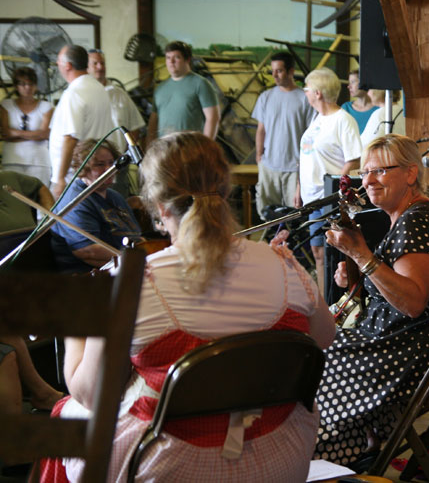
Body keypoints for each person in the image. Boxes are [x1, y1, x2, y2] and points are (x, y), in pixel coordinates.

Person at [41, 132, 335, 483]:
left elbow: (90, 394)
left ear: (159, 206)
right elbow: (324, 335)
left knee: (65, 414)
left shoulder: (135, 282)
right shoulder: (285, 266)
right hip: (280, 458)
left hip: (172, 466)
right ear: (225, 192)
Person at [317, 134, 429, 466]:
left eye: (380, 171)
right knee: (320, 344)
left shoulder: (416, 220)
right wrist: (362, 273)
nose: (369, 181)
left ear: (410, 173)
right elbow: (400, 282)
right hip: (426, 344)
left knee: (316, 354)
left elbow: (413, 302)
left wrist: (360, 255)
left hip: (422, 352)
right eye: (365, 172)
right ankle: (359, 444)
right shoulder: (412, 213)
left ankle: (329, 453)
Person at [299, 67, 361, 291]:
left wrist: (337, 188)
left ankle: (331, 302)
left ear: (317, 92)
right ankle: (321, 300)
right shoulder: (317, 118)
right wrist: (299, 188)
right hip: (311, 197)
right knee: (316, 251)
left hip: (329, 199)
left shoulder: (343, 120)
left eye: (306, 89)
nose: (304, 93)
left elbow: (354, 158)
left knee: (331, 253)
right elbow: (308, 156)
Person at [50, 139, 141, 273]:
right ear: (83, 168)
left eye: (111, 163)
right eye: (99, 164)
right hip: (89, 278)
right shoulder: (75, 201)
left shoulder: (115, 197)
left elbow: (136, 236)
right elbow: (88, 251)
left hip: (126, 266)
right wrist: (136, 261)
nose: (109, 169)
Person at [251, 52, 316, 217]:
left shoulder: (305, 98)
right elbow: (261, 129)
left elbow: (311, 134)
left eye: (279, 71)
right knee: (267, 214)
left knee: (294, 215)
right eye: (273, 71)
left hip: (294, 168)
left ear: (291, 71)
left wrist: (305, 163)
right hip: (269, 167)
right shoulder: (265, 97)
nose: (274, 75)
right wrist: (259, 157)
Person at [49, 45, 114, 198]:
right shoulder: (98, 88)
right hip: (92, 172)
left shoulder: (74, 93)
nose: (57, 65)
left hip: (74, 176)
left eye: (58, 61)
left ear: (68, 65)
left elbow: (70, 138)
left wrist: (60, 179)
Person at [87, 48, 146, 197]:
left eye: (102, 63)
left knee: (119, 205)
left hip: (118, 165)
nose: (100, 67)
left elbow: (135, 126)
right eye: (95, 63)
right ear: (87, 67)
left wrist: (123, 154)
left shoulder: (119, 94)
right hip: (91, 166)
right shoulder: (82, 94)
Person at [146, 41, 220, 144]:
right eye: (168, 57)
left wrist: (206, 146)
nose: (171, 61)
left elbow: (213, 118)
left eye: (176, 57)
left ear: (187, 60)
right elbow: (153, 121)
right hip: (163, 149)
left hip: (191, 148)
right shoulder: (160, 89)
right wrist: (149, 146)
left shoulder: (201, 84)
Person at [0, 67, 54, 186]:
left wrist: (15, 133)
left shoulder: (46, 106)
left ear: (36, 85)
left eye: (31, 84)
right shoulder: (6, 105)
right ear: (16, 86)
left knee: (39, 199)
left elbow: (45, 134)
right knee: (13, 200)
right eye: (23, 84)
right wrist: (35, 134)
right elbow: (5, 134)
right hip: (12, 160)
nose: (27, 87)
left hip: (39, 161)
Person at [341, 70, 378, 135]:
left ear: (364, 82)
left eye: (353, 82)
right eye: (349, 82)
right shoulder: (346, 108)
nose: (349, 86)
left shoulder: (378, 108)